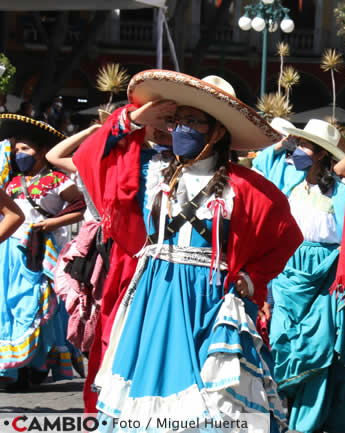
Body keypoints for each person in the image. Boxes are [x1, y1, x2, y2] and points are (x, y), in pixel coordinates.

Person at [79, 70, 302, 431]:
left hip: (209, 299)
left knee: (212, 401)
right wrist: (134, 119)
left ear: (216, 132)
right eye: (177, 120)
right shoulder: (151, 172)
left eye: (192, 121)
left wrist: (252, 277)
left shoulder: (245, 188)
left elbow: (288, 236)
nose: (180, 128)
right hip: (153, 298)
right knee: (149, 397)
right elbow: (91, 156)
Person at [253, 119, 345, 433]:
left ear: (323, 154)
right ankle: (279, 416)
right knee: (282, 345)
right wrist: (282, 143)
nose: (297, 151)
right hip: (285, 278)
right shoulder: (286, 179)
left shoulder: (342, 191)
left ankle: (305, 425)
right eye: (296, 145)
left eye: (304, 146)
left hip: (325, 281)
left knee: (318, 350)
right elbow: (259, 164)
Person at [0, 114, 86, 388]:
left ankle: (34, 364)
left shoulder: (56, 180)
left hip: (41, 253)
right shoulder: (11, 184)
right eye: (16, 150)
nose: (19, 154)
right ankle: (13, 365)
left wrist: (51, 222)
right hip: (10, 252)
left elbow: (82, 205)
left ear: (40, 151)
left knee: (36, 306)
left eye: (25, 149)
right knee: (10, 306)